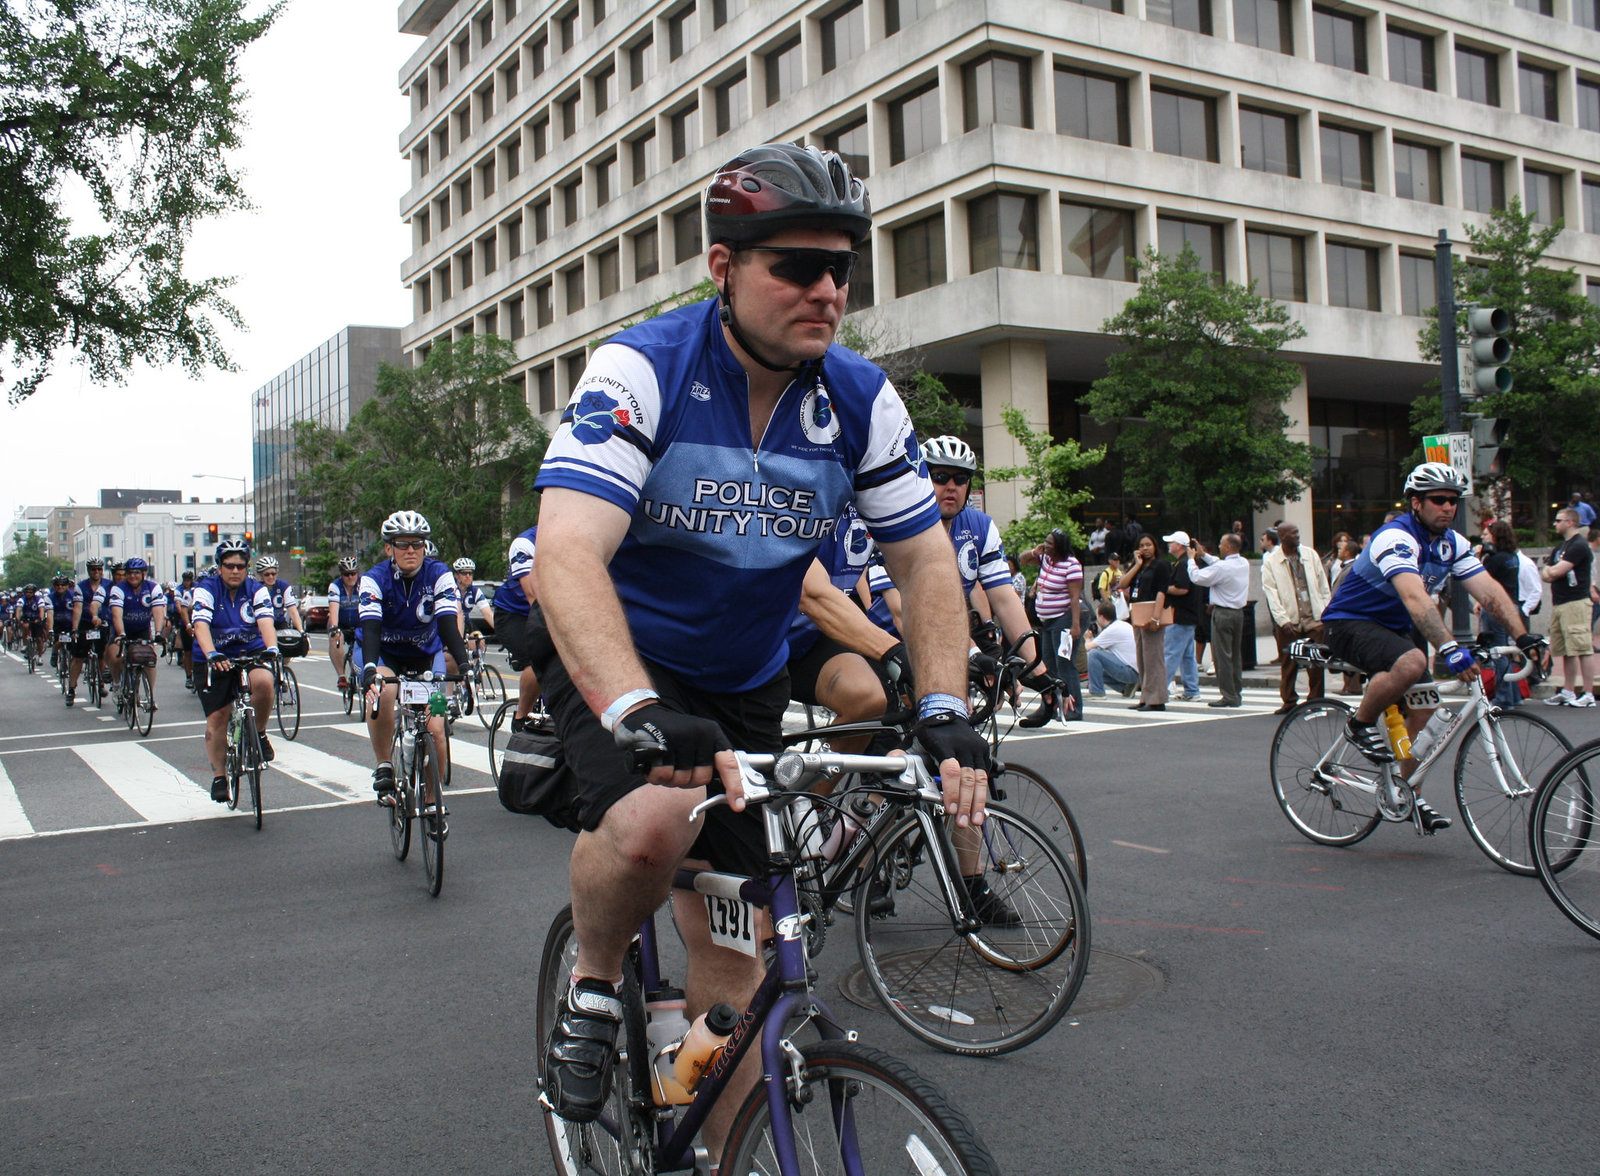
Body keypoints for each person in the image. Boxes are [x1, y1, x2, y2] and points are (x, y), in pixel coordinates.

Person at [529, 143, 987, 1141]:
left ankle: (712, 1138)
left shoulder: (859, 398)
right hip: (625, 664)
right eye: (794, 267)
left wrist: (944, 710)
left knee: (739, 979)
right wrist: (634, 708)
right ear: (723, 267)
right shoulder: (641, 368)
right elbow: (565, 552)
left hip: (742, 682)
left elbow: (925, 564)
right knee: (655, 823)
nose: (825, 290)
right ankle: (596, 982)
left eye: (840, 269)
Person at [1320, 463, 1542, 832]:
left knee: (1427, 713)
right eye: (1439, 500)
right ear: (1415, 503)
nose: (1448, 507)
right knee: (1412, 662)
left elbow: (1489, 592)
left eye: (1453, 501)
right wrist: (1452, 649)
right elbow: (1415, 598)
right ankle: (1359, 725)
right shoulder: (1396, 537)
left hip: (1391, 629)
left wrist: (1524, 637)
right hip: (1348, 622)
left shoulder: (1452, 543)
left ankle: (1408, 793)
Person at [356, 511, 471, 797]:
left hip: (426, 655)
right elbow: (370, 630)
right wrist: (370, 668)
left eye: (417, 544)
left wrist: (466, 664)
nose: (411, 550)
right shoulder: (373, 579)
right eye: (403, 544)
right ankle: (384, 763)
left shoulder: (440, 574)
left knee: (438, 730)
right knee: (383, 691)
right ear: (388, 548)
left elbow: (447, 627)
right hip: (384, 654)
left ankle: (433, 803)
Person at [191, 540, 279, 802]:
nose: (235, 571)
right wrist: (211, 653)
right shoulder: (206, 589)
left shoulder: (256, 590)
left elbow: (265, 621)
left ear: (246, 568)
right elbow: (201, 625)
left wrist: (272, 647)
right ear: (219, 567)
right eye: (229, 565)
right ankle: (220, 776)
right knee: (218, 718)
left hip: (249, 652)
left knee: (264, 682)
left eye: (240, 566)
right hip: (214, 657)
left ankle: (260, 733)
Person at [1261, 522, 1331, 714]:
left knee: (1316, 662)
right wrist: (1283, 620)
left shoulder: (1310, 555)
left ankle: (1316, 700)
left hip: (1314, 618)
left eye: (1297, 532)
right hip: (1290, 620)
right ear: (1282, 537)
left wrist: (1325, 613)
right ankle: (1289, 700)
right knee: (1288, 662)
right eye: (1292, 533)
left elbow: (1323, 586)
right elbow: (1271, 593)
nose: (1297, 536)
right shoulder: (1272, 561)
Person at [1020, 528, 1084, 723]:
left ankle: (1074, 708)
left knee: (1064, 663)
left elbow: (1074, 597)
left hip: (1064, 618)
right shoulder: (1045, 559)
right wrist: (1034, 552)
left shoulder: (1071, 565)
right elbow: (1022, 560)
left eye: (1050, 544)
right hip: (1047, 620)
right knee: (1046, 663)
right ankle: (1051, 705)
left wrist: (1075, 625)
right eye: (1046, 542)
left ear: (1060, 547)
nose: (1046, 546)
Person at [490, 525, 545, 731]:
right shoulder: (525, 543)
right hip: (514, 615)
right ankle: (521, 716)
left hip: (547, 611)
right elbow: (533, 595)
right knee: (538, 660)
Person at [1540, 505, 1595, 707]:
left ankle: (1588, 694)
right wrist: (1551, 572)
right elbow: (1547, 572)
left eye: (1558, 520)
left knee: (1582, 647)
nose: (1555, 524)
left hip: (1576, 603)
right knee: (1566, 650)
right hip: (1560, 603)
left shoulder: (1578, 546)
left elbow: (1555, 572)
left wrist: (1551, 572)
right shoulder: (1560, 548)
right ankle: (1568, 691)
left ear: (1570, 522)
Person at [1189, 533, 1251, 707]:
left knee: (1222, 657)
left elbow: (1197, 577)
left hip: (1223, 613)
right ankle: (1235, 693)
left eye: (1221, 544)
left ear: (1228, 547)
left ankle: (1228, 695)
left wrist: (1191, 560)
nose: (1219, 546)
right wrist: (1204, 554)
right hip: (1238, 613)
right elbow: (1219, 564)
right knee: (1235, 656)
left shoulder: (1223, 568)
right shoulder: (1243, 563)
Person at [104, 557, 167, 707]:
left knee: (149, 660)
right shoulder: (118, 589)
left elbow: (158, 612)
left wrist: (158, 633)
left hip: (142, 629)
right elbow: (116, 614)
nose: (133, 576)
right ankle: (117, 683)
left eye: (137, 572)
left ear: (144, 573)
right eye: (130, 573)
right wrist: (121, 634)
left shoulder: (153, 588)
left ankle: (150, 696)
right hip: (122, 630)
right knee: (116, 657)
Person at [1118, 533, 1170, 710]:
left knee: (1153, 657)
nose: (1145, 548)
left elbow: (1161, 591)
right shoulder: (1139, 566)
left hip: (1152, 613)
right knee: (1142, 657)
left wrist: (1156, 617)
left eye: (1148, 544)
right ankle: (1146, 697)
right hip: (1137, 613)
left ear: (1155, 546)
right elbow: (1123, 584)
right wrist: (1137, 564)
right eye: (1141, 545)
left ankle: (1157, 699)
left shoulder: (1161, 565)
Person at [1477, 520, 1524, 709]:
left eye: (1487, 534)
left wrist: (1480, 557)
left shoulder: (1493, 559)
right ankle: (1514, 694)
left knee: (1497, 652)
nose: (1483, 537)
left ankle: (1504, 697)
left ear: (1496, 536)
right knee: (1505, 650)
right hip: (1511, 604)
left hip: (1496, 607)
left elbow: (1481, 579)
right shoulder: (1511, 557)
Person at [1161, 530, 1202, 702]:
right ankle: (1192, 689)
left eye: (1171, 542)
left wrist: (1164, 587)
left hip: (1181, 614)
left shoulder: (1183, 564)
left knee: (1170, 653)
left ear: (1179, 545)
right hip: (1188, 614)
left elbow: (1182, 588)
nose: (1169, 545)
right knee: (1187, 655)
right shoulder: (1186, 562)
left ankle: (1160, 689)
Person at [66, 557, 110, 707]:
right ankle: (71, 688)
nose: (96, 572)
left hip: (103, 622)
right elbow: (77, 608)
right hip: (85, 623)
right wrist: (75, 628)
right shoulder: (81, 587)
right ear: (89, 570)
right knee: (78, 657)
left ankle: (102, 683)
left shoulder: (109, 585)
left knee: (102, 654)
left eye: (99, 569)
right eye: (93, 569)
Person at [1085, 599, 1139, 697]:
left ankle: (1097, 692)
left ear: (1101, 617)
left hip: (1129, 672)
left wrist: (1088, 638)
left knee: (1093, 654)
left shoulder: (1111, 630)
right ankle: (1126, 688)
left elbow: (1088, 648)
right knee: (1097, 670)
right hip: (1136, 672)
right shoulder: (1122, 625)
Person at [327, 556, 362, 689]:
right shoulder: (335, 586)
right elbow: (334, 608)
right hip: (341, 624)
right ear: (341, 575)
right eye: (346, 574)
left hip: (359, 624)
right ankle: (341, 676)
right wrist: (335, 627)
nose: (350, 577)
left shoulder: (363, 583)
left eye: (353, 573)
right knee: (336, 639)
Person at [254, 556, 303, 631]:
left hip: (279, 623)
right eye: (267, 574)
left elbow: (292, 611)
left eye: (273, 574)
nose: (271, 577)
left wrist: (301, 631)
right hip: (261, 624)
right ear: (261, 575)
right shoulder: (256, 588)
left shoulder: (284, 586)